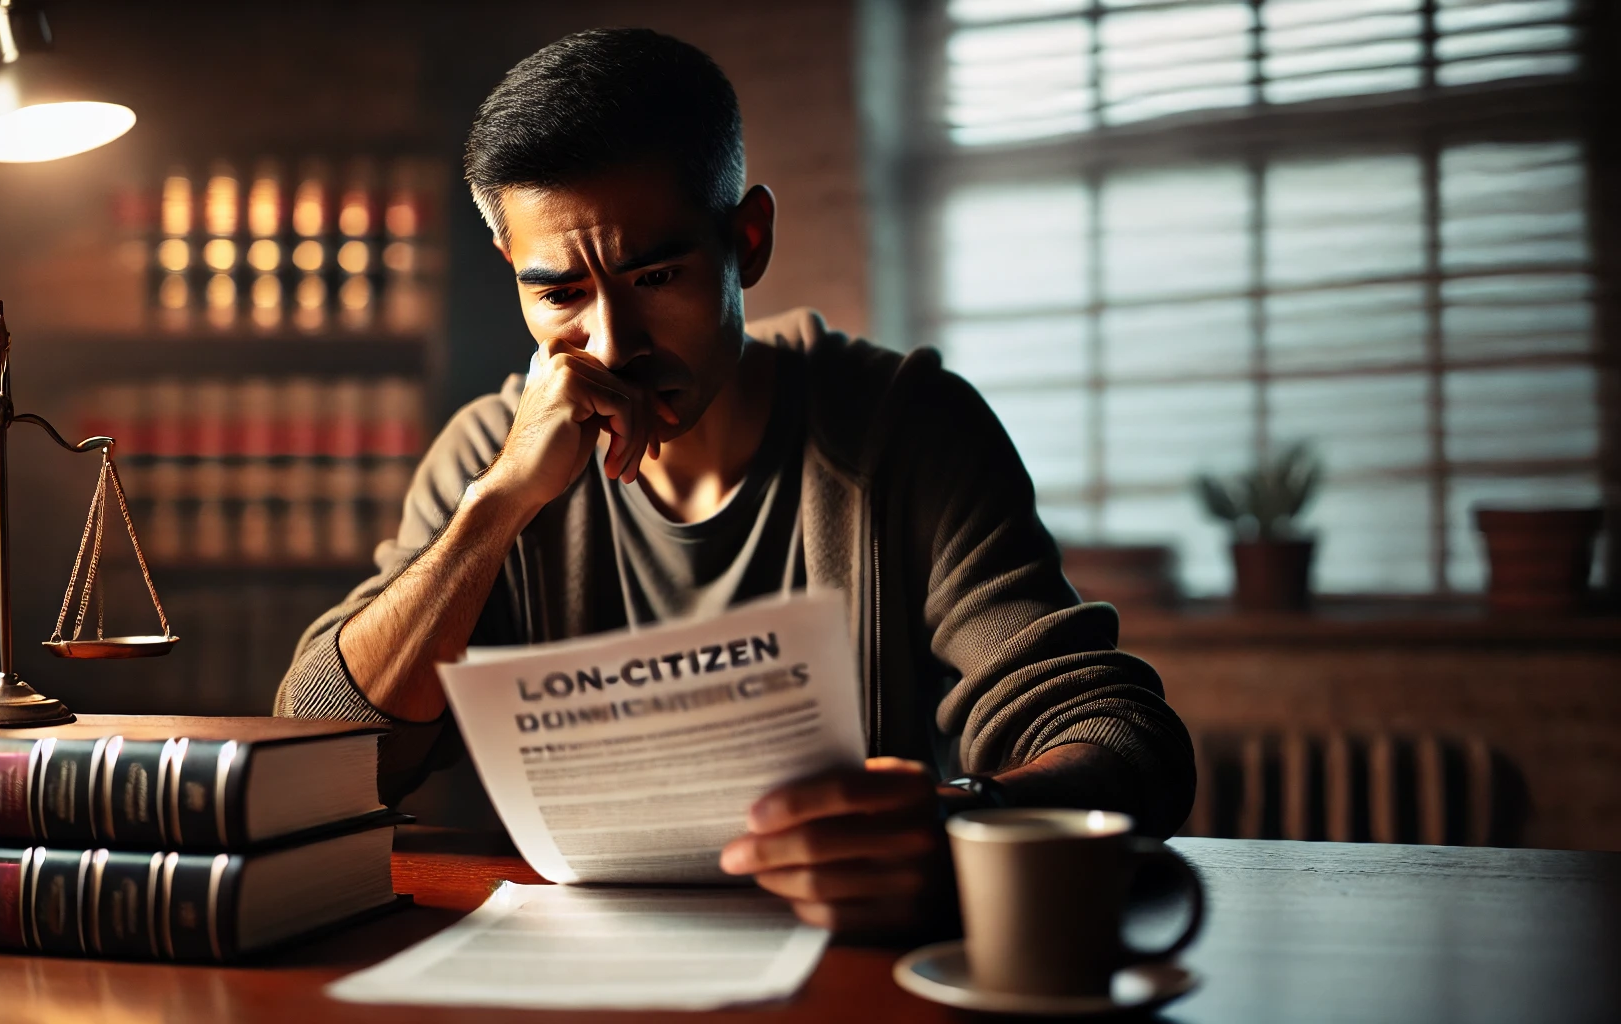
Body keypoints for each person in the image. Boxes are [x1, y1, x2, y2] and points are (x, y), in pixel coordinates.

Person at [277, 27, 1193, 936]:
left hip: (847, 965)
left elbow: (1123, 739)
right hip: (568, 967)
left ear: (747, 241)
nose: (610, 345)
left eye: (656, 274)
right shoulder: (489, 451)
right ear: (514, 278)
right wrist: (499, 507)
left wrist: (957, 820)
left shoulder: (909, 427)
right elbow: (317, 745)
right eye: (558, 294)